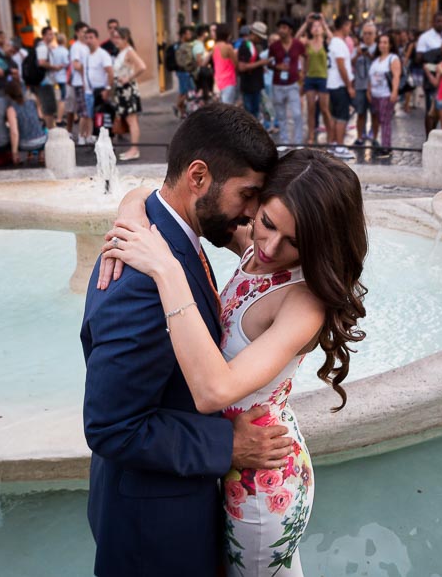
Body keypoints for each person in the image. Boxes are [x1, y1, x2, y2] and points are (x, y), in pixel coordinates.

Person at [100, 144, 368, 576]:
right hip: (228, 459)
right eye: (267, 223)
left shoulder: (304, 303)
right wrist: (132, 211)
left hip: (263, 483)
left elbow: (214, 391)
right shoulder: (253, 246)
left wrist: (166, 271)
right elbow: (168, 195)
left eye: (296, 242)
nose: (270, 246)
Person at [82, 103, 289, 577]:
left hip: (170, 501)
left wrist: (131, 198)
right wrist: (228, 448)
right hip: (152, 529)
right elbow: (111, 426)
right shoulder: (139, 281)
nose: (253, 213)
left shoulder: (171, 234)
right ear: (198, 177)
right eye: (247, 194)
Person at [268, 18, 305, 152]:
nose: (281, 30)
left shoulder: (298, 44)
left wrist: (303, 73)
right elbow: (269, 63)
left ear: (290, 30)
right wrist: (277, 66)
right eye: (280, 27)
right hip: (278, 83)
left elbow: (306, 56)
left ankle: (298, 142)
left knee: (297, 114)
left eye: (284, 27)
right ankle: (284, 141)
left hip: (293, 83)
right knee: (281, 114)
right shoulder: (274, 46)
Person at [111, 27, 146, 161]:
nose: (115, 40)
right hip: (122, 90)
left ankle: (134, 149)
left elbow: (142, 66)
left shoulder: (129, 51)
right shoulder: (122, 52)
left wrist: (128, 78)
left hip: (128, 90)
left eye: (117, 38)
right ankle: (132, 149)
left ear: (125, 38)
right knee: (129, 119)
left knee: (132, 120)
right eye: (114, 37)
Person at [415, 12, 442, 133]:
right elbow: (419, 58)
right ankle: (429, 136)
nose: (441, 24)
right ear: (433, 22)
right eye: (438, 21)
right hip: (431, 76)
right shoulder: (425, 37)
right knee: (431, 108)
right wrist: (437, 52)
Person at [368, 32, 401, 159]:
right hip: (375, 94)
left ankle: (386, 147)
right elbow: (371, 77)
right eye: (380, 42)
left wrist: (394, 91)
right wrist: (369, 91)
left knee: (385, 121)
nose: (382, 45)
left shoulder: (393, 58)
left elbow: (396, 76)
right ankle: (378, 142)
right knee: (376, 119)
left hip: (386, 94)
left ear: (390, 44)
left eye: (385, 42)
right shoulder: (376, 60)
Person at [326, 17, 355, 159]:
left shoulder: (335, 42)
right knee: (341, 116)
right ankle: (339, 146)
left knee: (335, 116)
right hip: (339, 85)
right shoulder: (338, 43)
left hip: (333, 84)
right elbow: (341, 65)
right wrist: (349, 85)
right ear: (343, 26)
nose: (350, 29)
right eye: (349, 26)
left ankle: (332, 144)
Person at [301, 15, 331, 144]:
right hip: (310, 78)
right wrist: (306, 22)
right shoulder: (307, 43)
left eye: (319, 26)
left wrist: (324, 23)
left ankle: (331, 134)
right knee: (311, 108)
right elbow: (296, 38)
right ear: (311, 29)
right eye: (314, 26)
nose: (316, 28)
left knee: (324, 109)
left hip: (323, 78)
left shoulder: (326, 42)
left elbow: (333, 38)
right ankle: (311, 135)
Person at [3, 79, 47, 162]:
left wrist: (14, 153)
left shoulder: (11, 109)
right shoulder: (32, 102)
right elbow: (41, 117)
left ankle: (22, 156)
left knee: (12, 131)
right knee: (43, 127)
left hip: (25, 144)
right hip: (41, 141)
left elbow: (14, 132)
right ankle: (41, 155)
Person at [83, 28, 114, 137]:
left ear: (96, 39)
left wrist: (107, 89)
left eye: (91, 37)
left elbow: (110, 72)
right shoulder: (86, 54)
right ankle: (95, 138)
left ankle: (106, 141)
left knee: (102, 117)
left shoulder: (102, 54)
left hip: (100, 91)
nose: (88, 40)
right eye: (86, 38)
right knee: (91, 116)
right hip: (89, 92)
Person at [66, 22, 92, 144]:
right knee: (83, 111)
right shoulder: (76, 47)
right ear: (77, 32)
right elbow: (76, 65)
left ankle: (87, 134)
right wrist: (87, 68)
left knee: (88, 111)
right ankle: (81, 136)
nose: (85, 34)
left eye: (87, 31)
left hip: (87, 83)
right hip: (79, 83)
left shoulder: (87, 46)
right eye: (83, 31)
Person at [237, 21, 270, 119]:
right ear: (253, 34)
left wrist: (260, 67)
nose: (260, 40)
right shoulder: (245, 46)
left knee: (255, 113)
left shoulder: (253, 47)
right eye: (259, 37)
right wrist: (260, 63)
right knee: (250, 115)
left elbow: (251, 64)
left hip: (255, 85)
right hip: (249, 86)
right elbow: (242, 67)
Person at [352, 22, 377, 145]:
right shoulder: (357, 48)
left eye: (370, 34)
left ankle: (374, 134)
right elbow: (350, 63)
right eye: (365, 33)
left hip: (375, 87)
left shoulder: (378, 48)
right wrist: (357, 54)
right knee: (360, 112)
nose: (367, 36)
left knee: (374, 112)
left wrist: (370, 55)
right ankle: (360, 136)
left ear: (375, 35)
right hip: (360, 85)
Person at [34, 27, 64, 128]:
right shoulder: (42, 47)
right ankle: (50, 131)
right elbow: (41, 62)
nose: (52, 36)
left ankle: (50, 128)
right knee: (49, 108)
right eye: (50, 34)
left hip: (45, 81)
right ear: (44, 35)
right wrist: (54, 67)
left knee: (48, 108)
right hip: (44, 82)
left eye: (52, 34)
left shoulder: (45, 47)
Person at [173, 25, 197, 119]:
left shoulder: (179, 45)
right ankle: (177, 106)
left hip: (182, 71)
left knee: (184, 92)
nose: (190, 35)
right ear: (183, 35)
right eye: (188, 33)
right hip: (183, 71)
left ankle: (182, 112)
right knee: (186, 91)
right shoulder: (181, 46)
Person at [212, 25, 239, 105]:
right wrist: (235, 53)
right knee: (227, 108)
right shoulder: (228, 47)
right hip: (229, 81)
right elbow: (236, 64)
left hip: (217, 81)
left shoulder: (214, 47)